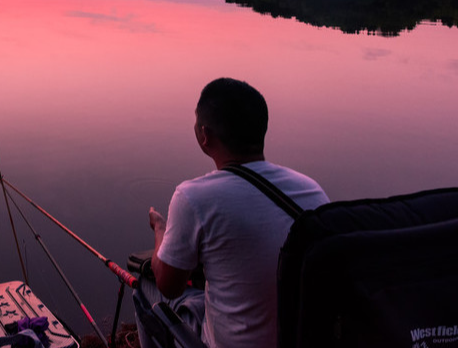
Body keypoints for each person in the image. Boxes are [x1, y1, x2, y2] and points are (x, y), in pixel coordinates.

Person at [134, 78, 328, 348]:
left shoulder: (194, 197)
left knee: (143, 286)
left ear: (205, 135)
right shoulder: (311, 191)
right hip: (296, 339)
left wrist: (160, 231)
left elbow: (169, 286)